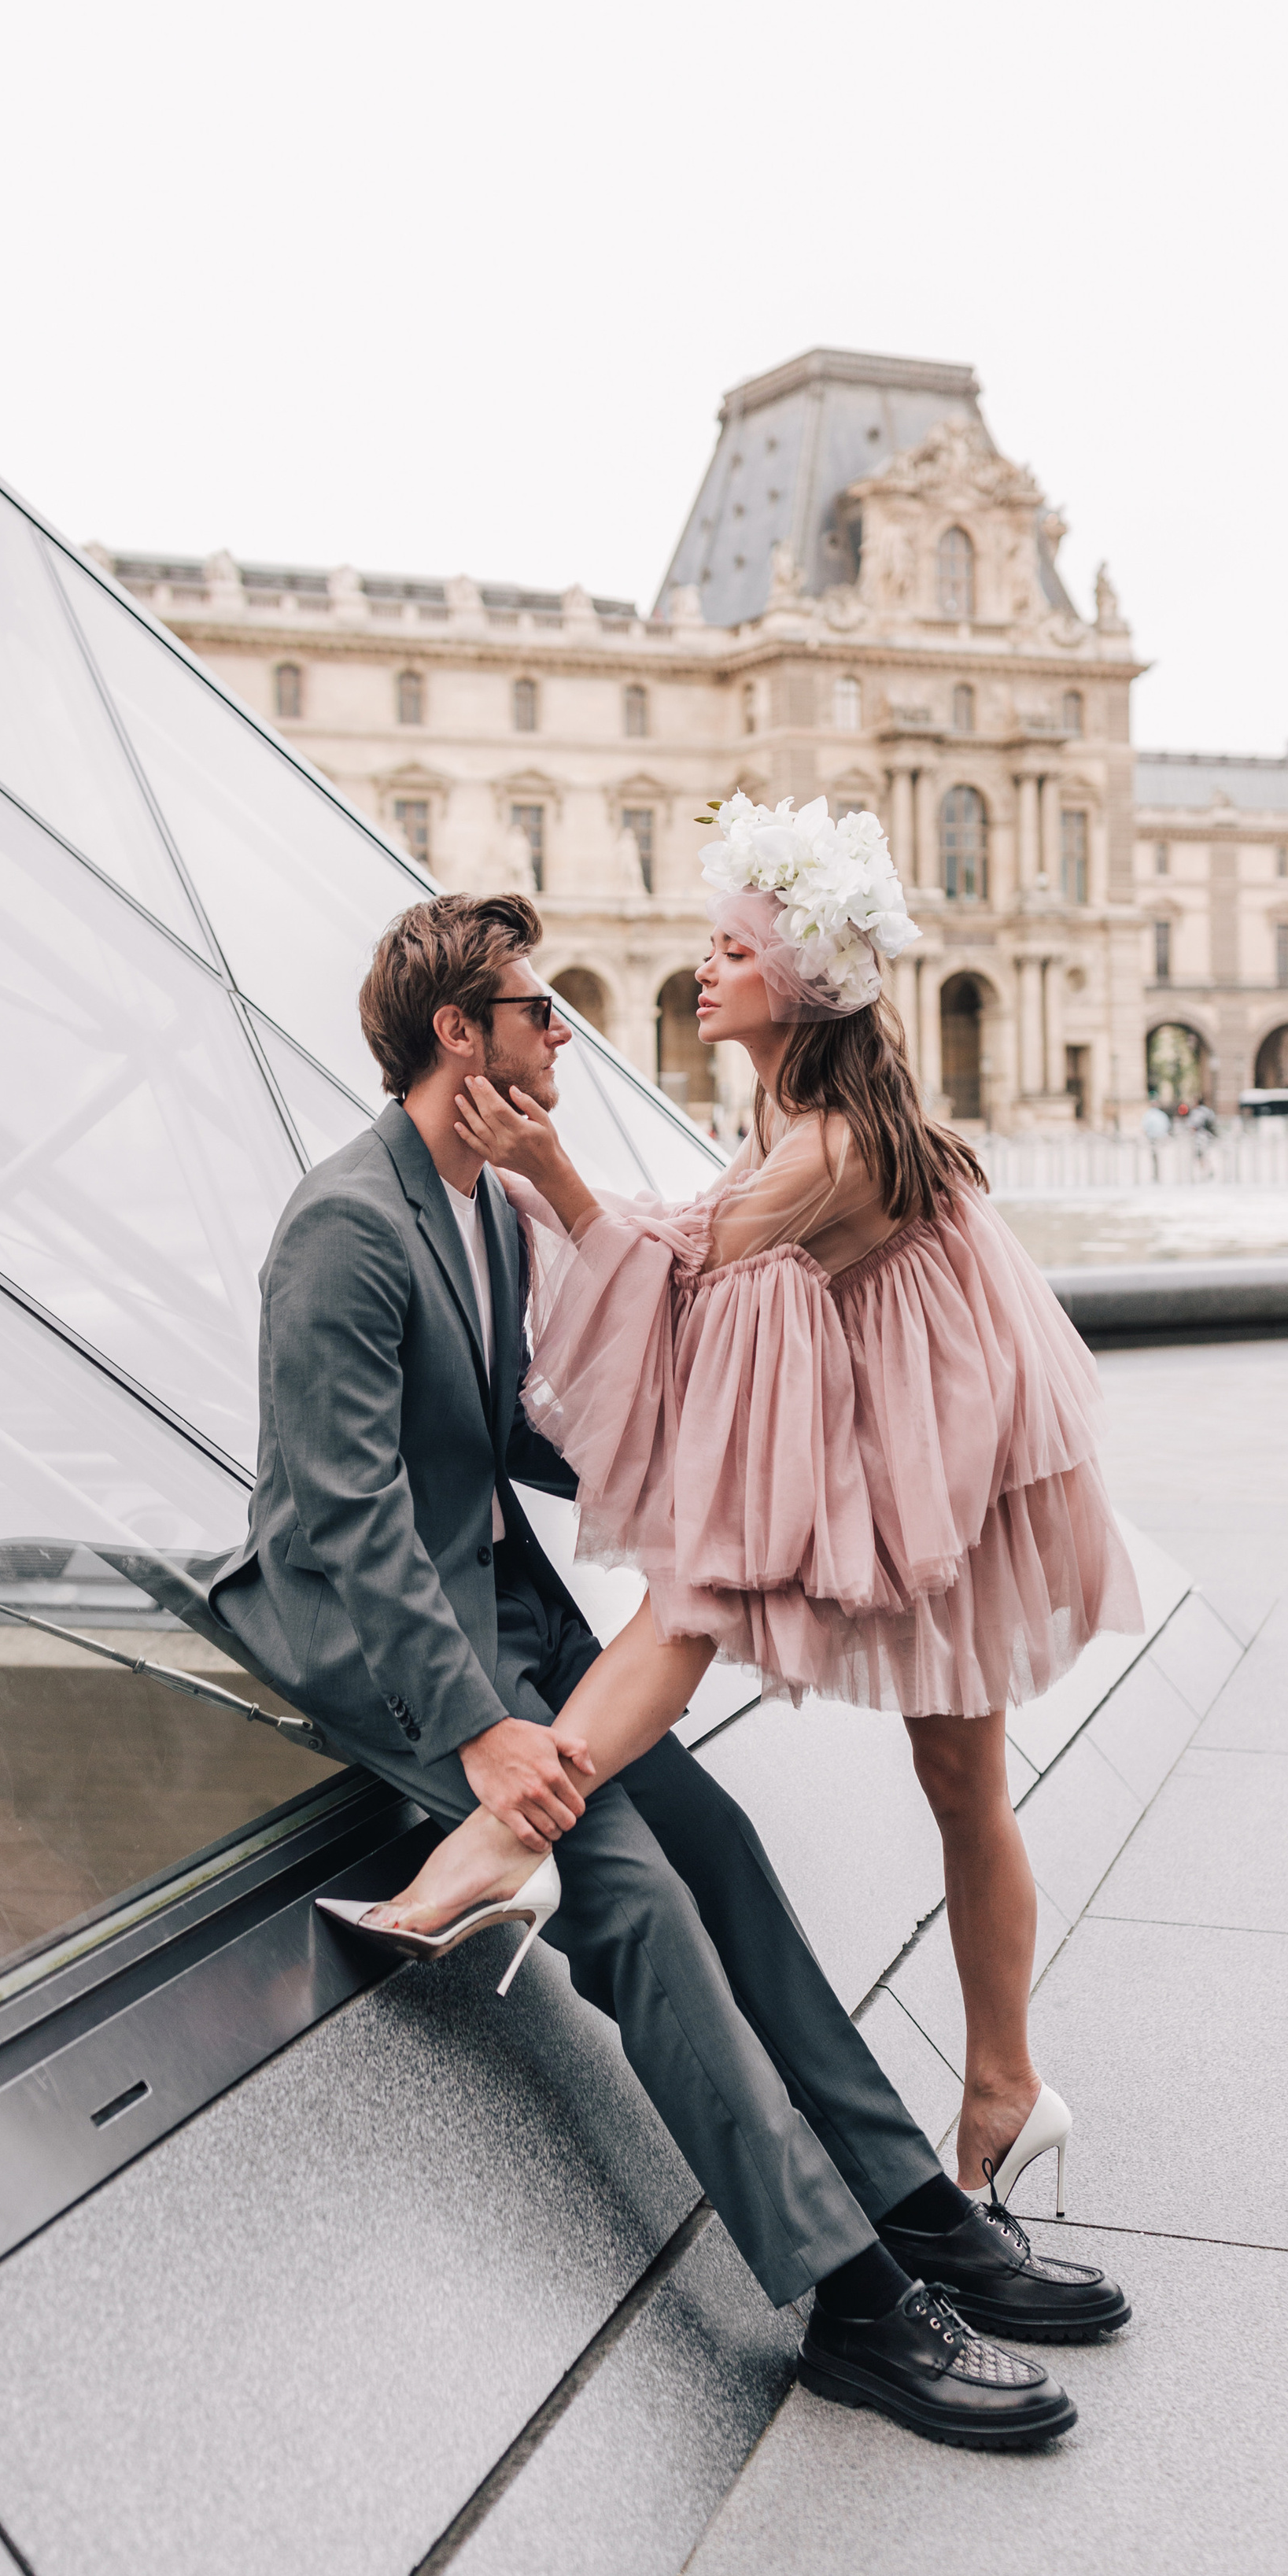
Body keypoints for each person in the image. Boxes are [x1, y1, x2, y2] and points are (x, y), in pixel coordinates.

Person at [205, 888, 1128, 2454]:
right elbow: (346, 1531)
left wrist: (683, 1485)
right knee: (628, 1887)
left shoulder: (482, 1203)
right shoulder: (347, 1225)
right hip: (381, 1643)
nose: (564, 1031)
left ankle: (905, 2193)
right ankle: (845, 2298)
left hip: (500, 1614)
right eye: (534, 1010)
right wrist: (488, 1735)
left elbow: (511, 1433)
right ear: (459, 1039)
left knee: (722, 1848)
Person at [371, 796, 1143, 2214]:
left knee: (710, 1593)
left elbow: (685, 1278)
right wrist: (547, 1183)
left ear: (795, 979)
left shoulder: (829, 1146)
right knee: (957, 1777)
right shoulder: (795, 1113)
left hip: (931, 1450)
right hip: (908, 1422)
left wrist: (540, 1169)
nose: (705, 965)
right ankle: (1006, 2087)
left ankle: (506, 1836)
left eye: (732, 946)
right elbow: (675, 1248)